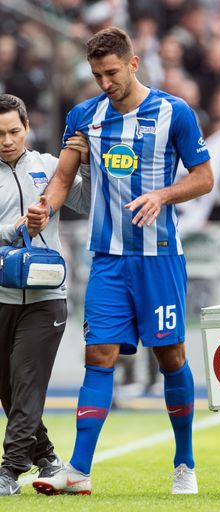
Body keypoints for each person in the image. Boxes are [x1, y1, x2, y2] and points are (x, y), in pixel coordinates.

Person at [30, 27, 213, 496]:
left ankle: (184, 462)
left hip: (159, 258)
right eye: (96, 75)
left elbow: (204, 178)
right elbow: (63, 178)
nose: (104, 83)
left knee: (171, 357)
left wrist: (163, 194)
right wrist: (45, 207)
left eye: (111, 73)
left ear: (133, 64)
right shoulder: (84, 116)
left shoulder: (174, 112)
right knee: (98, 355)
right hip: (108, 259)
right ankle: (79, 469)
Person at [0, 93, 91, 496]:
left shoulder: (50, 167)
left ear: (28, 127)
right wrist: (17, 230)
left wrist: (85, 162)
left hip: (46, 296)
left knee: (27, 381)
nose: (7, 140)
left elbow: (87, 201)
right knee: (8, 386)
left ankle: (9, 470)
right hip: (2, 295)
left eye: (14, 131)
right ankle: (48, 457)